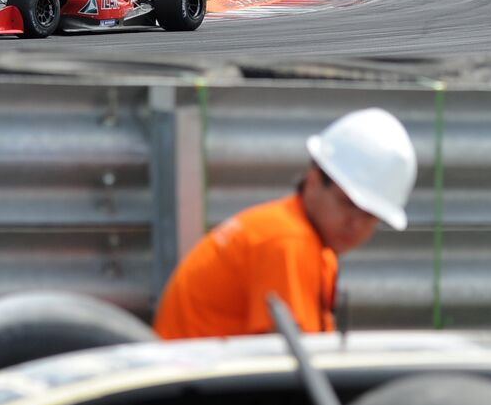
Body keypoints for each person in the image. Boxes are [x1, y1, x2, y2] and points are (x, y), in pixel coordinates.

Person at [153, 108, 417, 340]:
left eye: (370, 215)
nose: (356, 224)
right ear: (314, 180)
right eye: (348, 204)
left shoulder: (300, 238)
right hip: (196, 378)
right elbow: (294, 363)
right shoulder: (288, 243)